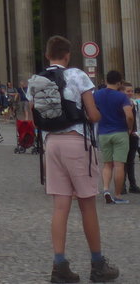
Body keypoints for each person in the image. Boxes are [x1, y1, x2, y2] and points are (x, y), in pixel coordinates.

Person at [28, 35, 117, 284]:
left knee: (60, 206)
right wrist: (95, 115)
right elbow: (92, 113)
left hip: (51, 144)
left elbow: (34, 114)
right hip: (76, 142)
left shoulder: (36, 80)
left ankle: (60, 266)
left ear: (47, 55)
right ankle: (98, 264)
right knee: (87, 203)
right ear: (68, 55)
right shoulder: (77, 75)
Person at [96, 70, 135, 205]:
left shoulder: (97, 94)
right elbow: (129, 115)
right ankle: (117, 194)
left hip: (103, 132)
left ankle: (106, 189)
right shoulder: (121, 97)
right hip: (119, 131)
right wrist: (129, 127)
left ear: (107, 80)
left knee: (107, 164)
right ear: (119, 82)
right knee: (119, 165)